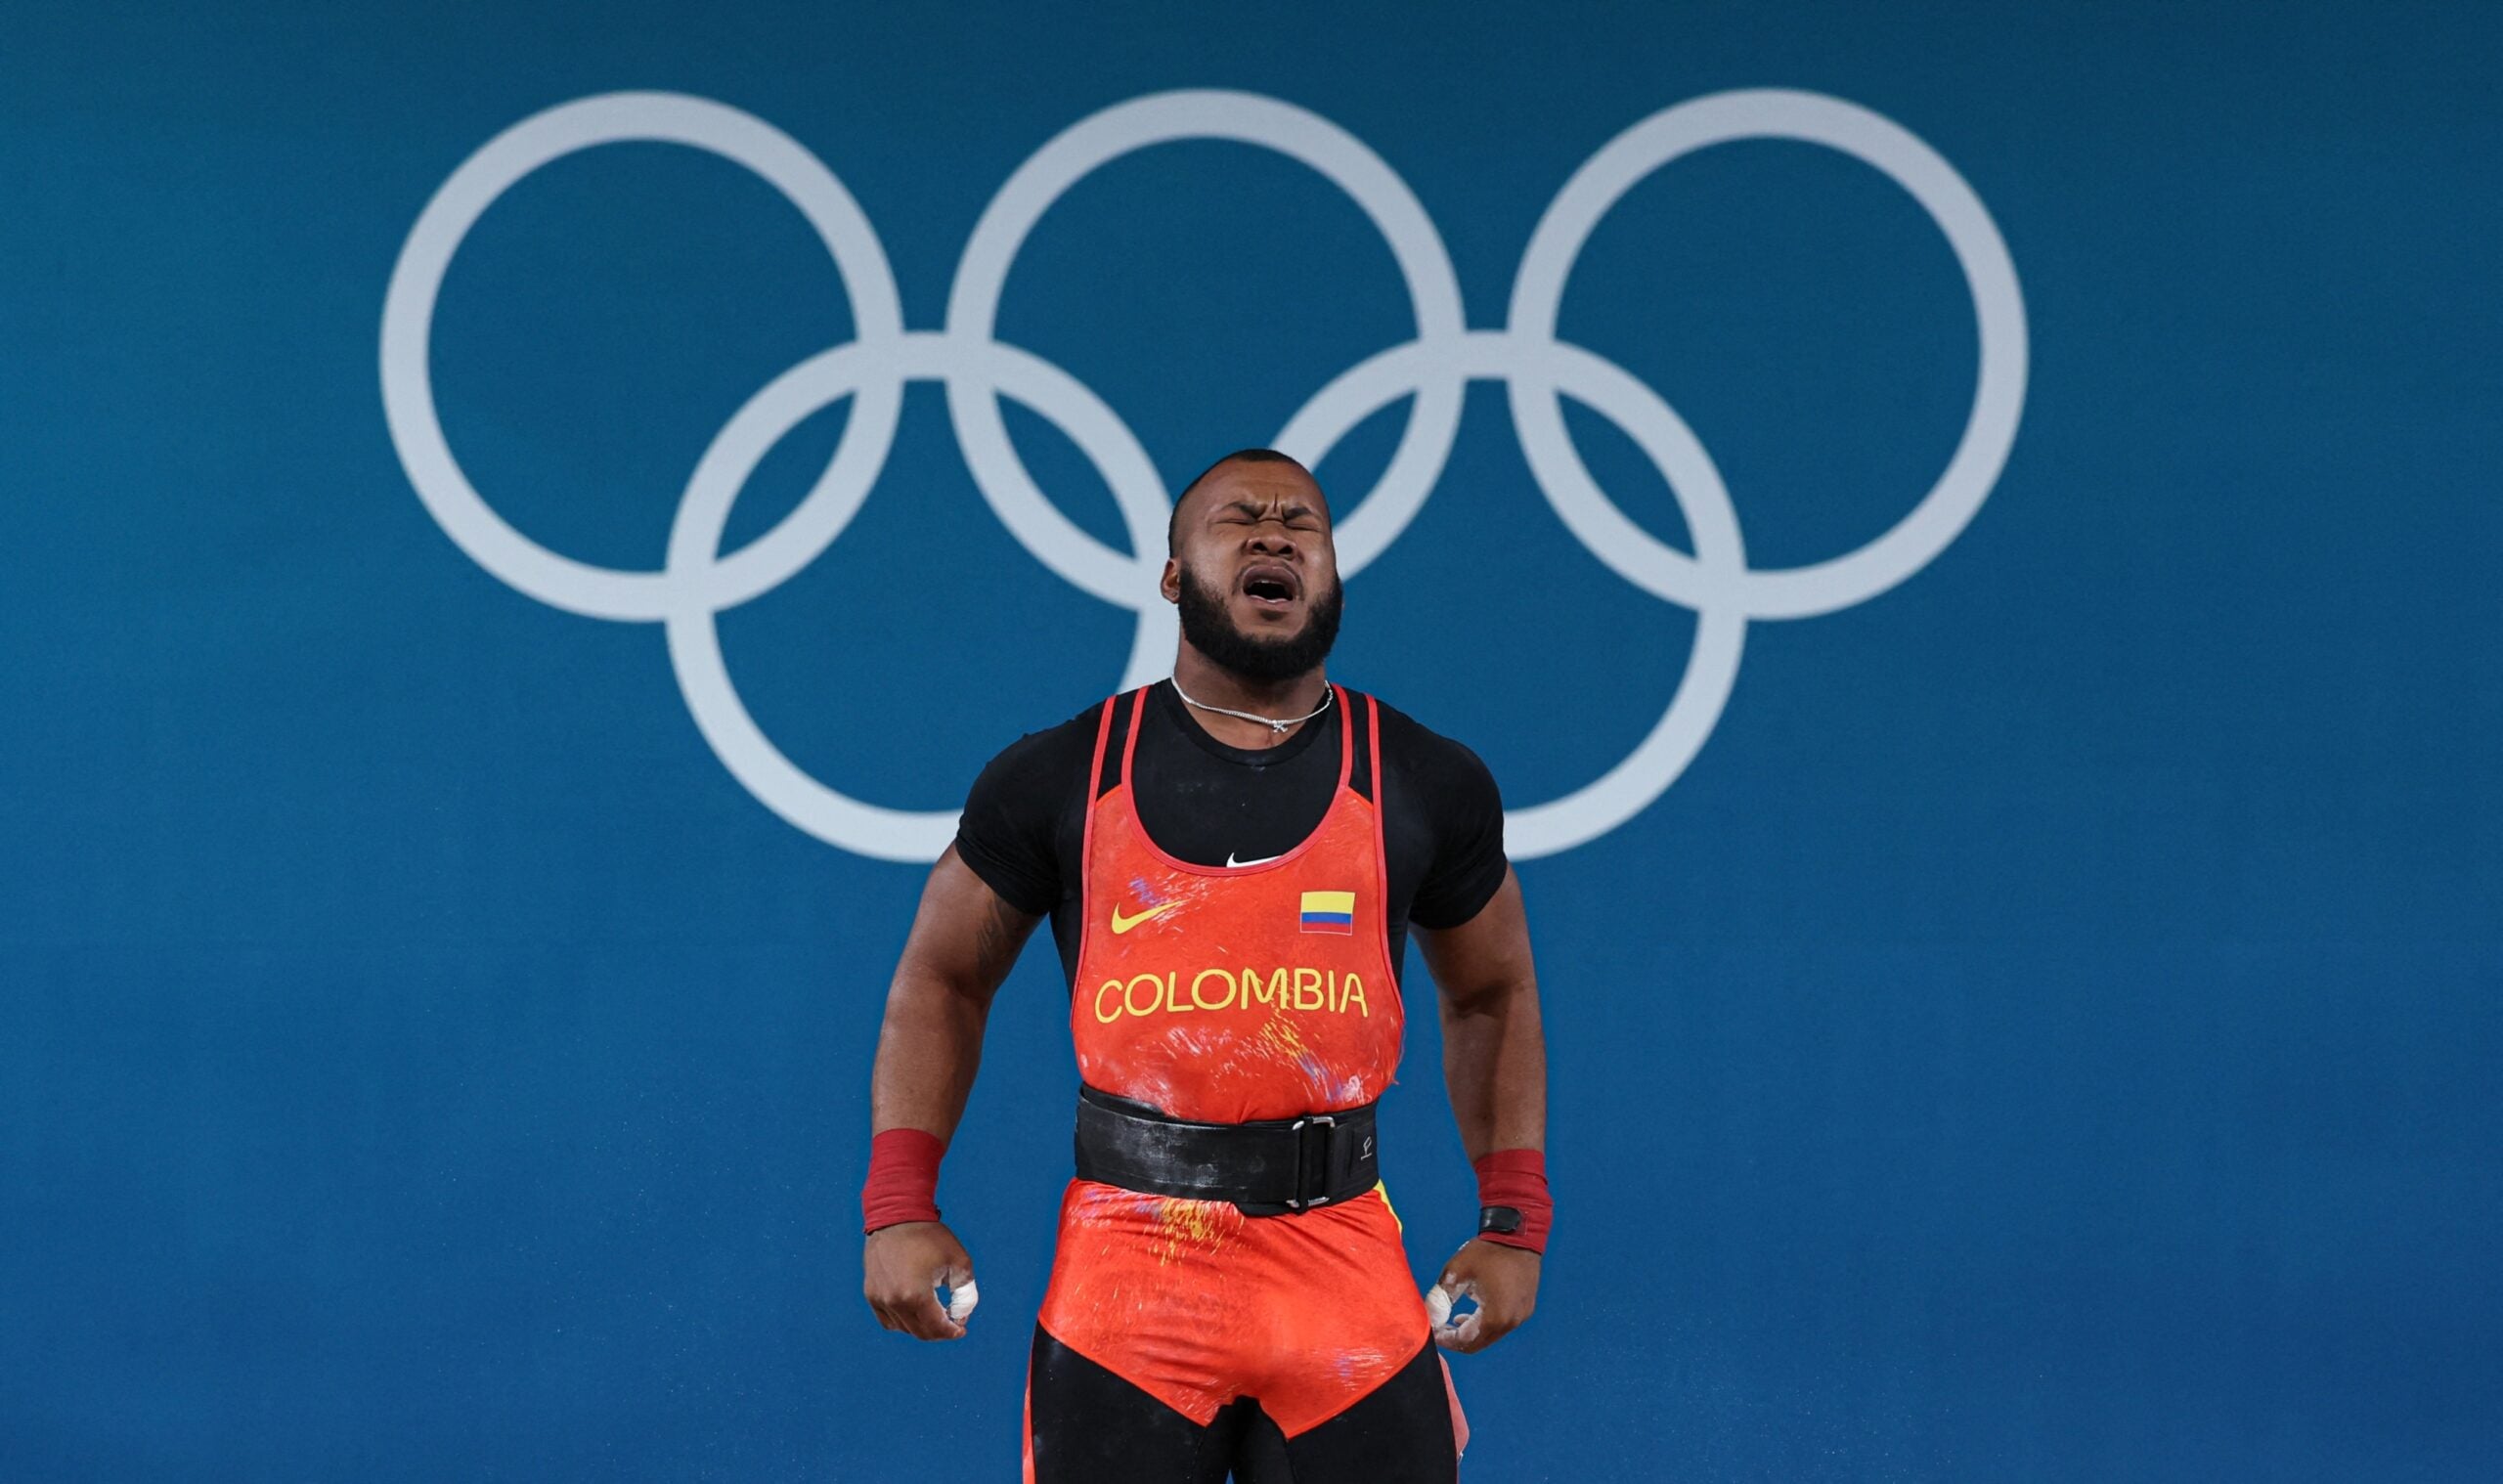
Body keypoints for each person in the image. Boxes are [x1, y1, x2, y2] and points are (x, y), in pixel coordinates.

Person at [859, 448, 1551, 1482]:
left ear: (1331, 578)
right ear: (1174, 576)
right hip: (1129, 1281)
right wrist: (899, 1204)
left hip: (1342, 1276)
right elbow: (940, 980)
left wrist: (1514, 1223)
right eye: (1238, 520)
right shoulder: (1056, 773)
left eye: (1301, 524)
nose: (1274, 534)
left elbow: (1492, 993)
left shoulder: (1424, 778)